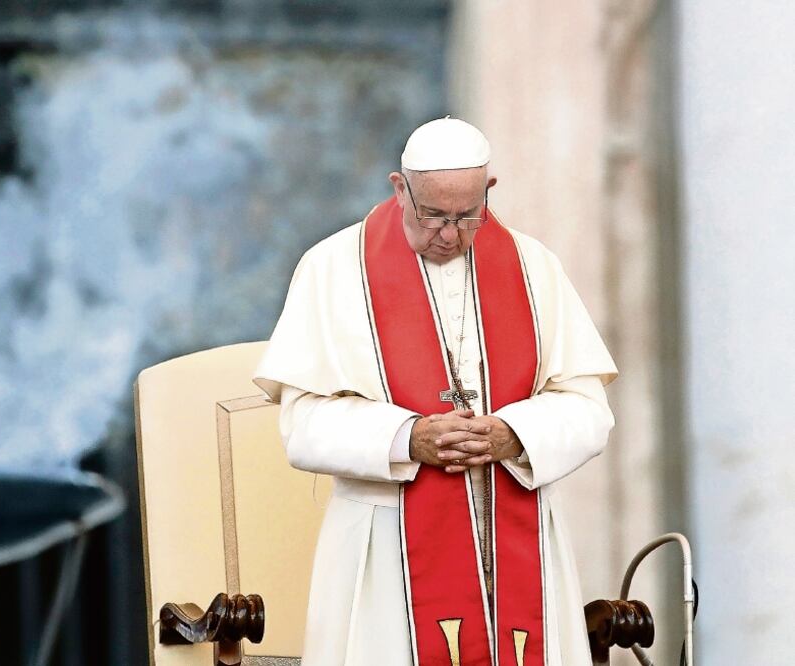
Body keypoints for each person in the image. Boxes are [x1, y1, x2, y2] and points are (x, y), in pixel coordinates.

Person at [253, 117, 618, 666]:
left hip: (515, 540)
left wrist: (513, 433)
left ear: (489, 192)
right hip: (386, 549)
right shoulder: (332, 269)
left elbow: (588, 408)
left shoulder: (534, 268)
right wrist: (407, 437)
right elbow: (302, 424)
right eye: (432, 216)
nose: (449, 234)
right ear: (399, 188)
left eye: (467, 215)